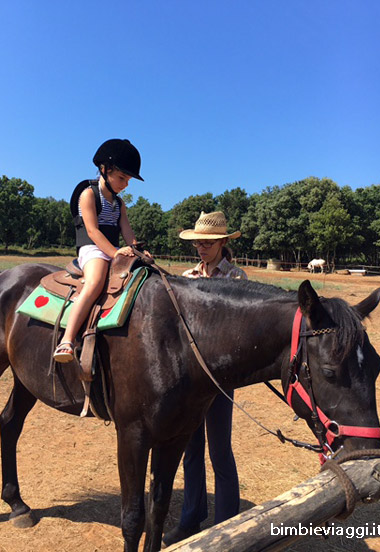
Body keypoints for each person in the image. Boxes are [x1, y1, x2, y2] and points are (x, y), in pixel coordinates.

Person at [162, 211, 247, 547]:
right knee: (191, 448)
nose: (201, 247)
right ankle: (190, 518)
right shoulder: (186, 277)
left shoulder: (237, 278)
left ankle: (226, 525)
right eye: (198, 242)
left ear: (222, 242)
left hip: (220, 380)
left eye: (208, 242)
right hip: (190, 381)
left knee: (220, 451)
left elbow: (238, 332)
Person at [53, 138, 146, 362]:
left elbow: (126, 229)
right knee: (95, 282)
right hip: (92, 248)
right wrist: (114, 253)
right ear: (105, 169)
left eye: (128, 180)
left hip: (114, 248)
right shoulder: (88, 195)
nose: (125, 184)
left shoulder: (119, 204)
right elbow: (92, 231)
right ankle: (67, 339)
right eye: (122, 178)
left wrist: (137, 250)